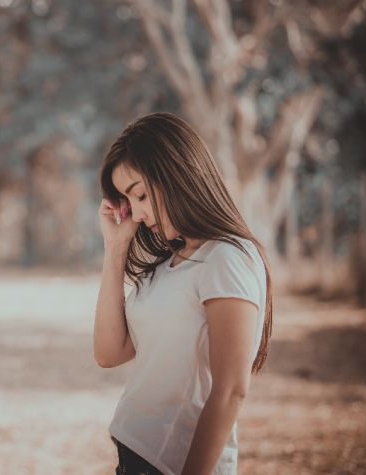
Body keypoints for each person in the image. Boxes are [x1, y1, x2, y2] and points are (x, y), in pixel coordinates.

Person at [94, 113, 272, 474]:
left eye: (141, 194)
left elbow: (231, 388)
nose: (139, 214)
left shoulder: (226, 257)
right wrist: (115, 249)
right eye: (131, 201)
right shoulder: (169, 262)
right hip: (133, 458)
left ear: (178, 174)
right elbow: (109, 353)